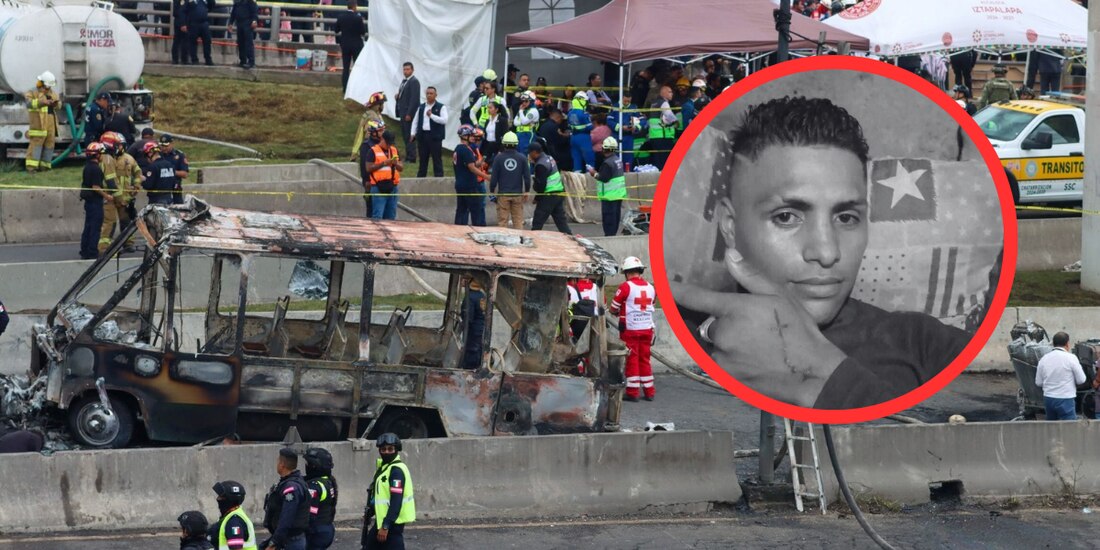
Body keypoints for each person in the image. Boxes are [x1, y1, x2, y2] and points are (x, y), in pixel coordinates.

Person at [671, 96, 972, 409]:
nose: (827, 253)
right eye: (786, 217)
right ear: (730, 227)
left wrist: (827, 379)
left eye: (846, 218)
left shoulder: (926, 344)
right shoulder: (685, 343)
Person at [609, 256, 657, 402]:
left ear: (627, 272)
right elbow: (651, 303)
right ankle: (649, 391)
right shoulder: (650, 287)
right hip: (647, 328)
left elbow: (613, 308)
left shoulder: (626, 287)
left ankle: (633, 392)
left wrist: (616, 311)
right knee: (645, 359)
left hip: (630, 329)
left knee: (632, 360)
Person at [361, 433, 415, 550]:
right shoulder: (384, 468)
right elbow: (381, 496)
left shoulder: (396, 471)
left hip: (392, 524)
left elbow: (396, 501)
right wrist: (371, 511)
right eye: (383, 449)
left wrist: (386, 526)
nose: (386, 452)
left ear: (397, 450)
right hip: (382, 521)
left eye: (390, 449)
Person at [261, 448, 310, 550]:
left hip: (290, 542)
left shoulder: (291, 488)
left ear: (282, 465)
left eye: (278, 461)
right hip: (287, 539)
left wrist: (274, 542)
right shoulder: (289, 482)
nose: (277, 463)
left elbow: (286, 517)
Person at [1035, 332, 1086, 421]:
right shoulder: (1071, 358)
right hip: (1065, 398)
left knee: (1051, 428)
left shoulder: (1044, 359)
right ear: (1067, 344)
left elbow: (1038, 382)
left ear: (1053, 344)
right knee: (1069, 428)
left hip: (1049, 399)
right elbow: (1081, 380)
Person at [489, 131, 530, 229]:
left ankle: (503, 243)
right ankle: (520, 241)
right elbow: (527, 177)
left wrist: (491, 191)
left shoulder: (498, 158)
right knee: (518, 221)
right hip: (517, 194)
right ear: (516, 144)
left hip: (503, 195)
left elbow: (494, 178)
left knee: (502, 221)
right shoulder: (522, 158)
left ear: (504, 143)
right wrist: (527, 191)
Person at [528, 142, 571, 234]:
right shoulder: (549, 158)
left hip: (548, 196)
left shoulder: (540, 165)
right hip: (558, 193)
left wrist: (537, 198)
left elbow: (541, 185)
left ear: (535, 152)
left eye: (530, 153)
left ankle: (533, 241)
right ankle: (571, 239)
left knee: (537, 222)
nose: (529, 155)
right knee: (561, 222)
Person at [452, 125, 489, 226]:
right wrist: (487, 177)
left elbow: (469, 164)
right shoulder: (465, 150)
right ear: (464, 136)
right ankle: (478, 230)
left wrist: (479, 162)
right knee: (476, 210)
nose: (473, 137)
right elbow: (472, 168)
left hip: (460, 184)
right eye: (470, 135)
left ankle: (459, 230)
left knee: (462, 210)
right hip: (469, 185)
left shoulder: (458, 149)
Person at [24, 71, 60, 174]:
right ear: (42, 83)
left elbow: (59, 104)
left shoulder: (52, 93)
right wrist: (41, 102)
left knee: (50, 144)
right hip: (38, 123)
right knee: (36, 145)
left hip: (50, 122)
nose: (47, 89)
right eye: (46, 87)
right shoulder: (32, 92)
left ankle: (45, 167)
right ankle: (31, 168)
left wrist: (55, 104)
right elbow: (28, 104)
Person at [590, 136, 626, 237]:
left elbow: (604, 178)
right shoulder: (617, 160)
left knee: (609, 219)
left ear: (604, 148)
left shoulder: (607, 163)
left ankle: (609, 236)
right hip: (617, 194)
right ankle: (612, 235)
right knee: (615, 218)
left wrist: (594, 174)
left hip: (609, 196)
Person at [304, 447, 338, 550]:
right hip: (326, 528)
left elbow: (310, 515)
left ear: (315, 466)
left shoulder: (314, 486)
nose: (307, 466)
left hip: (317, 532)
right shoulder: (328, 481)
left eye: (309, 464)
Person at [79, 142, 109, 260]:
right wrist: (107, 196)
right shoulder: (96, 169)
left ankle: (84, 250)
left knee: (88, 227)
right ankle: (92, 251)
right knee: (95, 228)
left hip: (88, 202)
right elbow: (96, 187)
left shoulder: (87, 167)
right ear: (97, 155)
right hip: (95, 202)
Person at [365, 129, 403, 220]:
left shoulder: (394, 150)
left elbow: (401, 167)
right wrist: (384, 163)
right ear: (382, 139)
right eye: (388, 143)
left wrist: (395, 163)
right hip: (378, 188)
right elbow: (368, 168)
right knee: (378, 216)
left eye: (391, 143)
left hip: (392, 187)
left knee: (391, 217)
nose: (389, 145)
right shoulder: (373, 151)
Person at [410, 86, 447, 178]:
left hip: (435, 136)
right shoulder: (422, 107)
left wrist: (432, 116)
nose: (429, 95)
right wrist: (412, 133)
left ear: (436, 95)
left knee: (436, 158)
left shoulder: (441, 107)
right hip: (423, 136)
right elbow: (415, 120)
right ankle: (421, 177)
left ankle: (439, 178)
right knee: (423, 158)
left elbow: (444, 120)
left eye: (431, 93)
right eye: (427, 93)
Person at [211, 480, 257, 550]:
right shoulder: (231, 516)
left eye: (220, 497)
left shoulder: (234, 521)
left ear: (228, 499)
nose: (217, 499)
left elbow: (236, 548)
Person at [334, 0, 364, 92]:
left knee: (346, 67)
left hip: (345, 44)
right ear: (355, 6)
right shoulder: (358, 18)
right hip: (356, 44)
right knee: (357, 67)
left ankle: (345, 88)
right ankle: (357, 87)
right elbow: (363, 32)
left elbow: (336, 30)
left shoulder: (341, 17)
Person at [607, 97, 644, 172]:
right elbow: (609, 121)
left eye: (629, 101)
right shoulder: (614, 107)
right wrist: (620, 127)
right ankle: (616, 175)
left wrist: (636, 127)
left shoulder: (634, 108)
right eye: (625, 101)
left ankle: (628, 175)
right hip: (616, 136)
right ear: (621, 98)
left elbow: (643, 120)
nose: (627, 102)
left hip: (629, 137)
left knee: (628, 159)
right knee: (616, 158)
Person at [644, 86, 677, 169]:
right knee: (665, 161)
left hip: (654, 135)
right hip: (663, 136)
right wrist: (676, 122)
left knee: (657, 160)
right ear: (663, 93)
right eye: (669, 92)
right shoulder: (663, 103)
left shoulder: (654, 103)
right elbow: (669, 115)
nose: (671, 93)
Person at [394, 62, 420, 164]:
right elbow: (406, 96)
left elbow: (414, 99)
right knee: (405, 135)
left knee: (410, 135)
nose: (406, 71)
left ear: (412, 70)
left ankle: (412, 157)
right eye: (404, 69)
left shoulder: (414, 82)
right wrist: (398, 96)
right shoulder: (404, 81)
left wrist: (410, 113)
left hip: (408, 114)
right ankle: (408, 155)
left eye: (408, 69)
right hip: (402, 112)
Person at [358, 119, 385, 216]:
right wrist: (366, 181)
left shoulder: (384, 144)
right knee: (372, 211)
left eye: (383, 130)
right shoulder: (366, 146)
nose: (383, 133)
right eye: (380, 130)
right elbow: (363, 166)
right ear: (374, 133)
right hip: (372, 183)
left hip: (383, 182)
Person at [460, 278, 487, 370]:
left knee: (471, 351)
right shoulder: (481, 295)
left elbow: (468, 317)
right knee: (478, 349)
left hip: (472, 330)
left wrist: (462, 325)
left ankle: (469, 370)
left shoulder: (470, 297)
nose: (462, 281)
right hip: (480, 329)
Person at [351, 92, 386, 161]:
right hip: (371, 146)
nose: (383, 106)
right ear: (377, 105)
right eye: (382, 104)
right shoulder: (371, 116)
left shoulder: (377, 114)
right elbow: (369, 132)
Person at [141, 141, 178, 205]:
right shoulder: (169, 165)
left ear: (150, 153)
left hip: (156, 201)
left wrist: (142, 179)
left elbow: (148, 185)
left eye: (146, 156)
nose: (146, 159)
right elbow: (174, 183)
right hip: (169, 199)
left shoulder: (152, 167)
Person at [567, 93, 595, 173]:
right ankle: (589, 179)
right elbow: (590, 127)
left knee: (576, 160)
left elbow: (569, 126)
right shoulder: (584, 114)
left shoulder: (570, 113)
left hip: (573, 138)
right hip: (584, 138)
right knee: (590, 159)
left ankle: (576, 180)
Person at [159, 134, 190, 204]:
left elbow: (185, 174)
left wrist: (171, 172)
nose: (163, 148)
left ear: (172, 144)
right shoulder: (157, 155)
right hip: (161, 190)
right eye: (162, 145)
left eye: (166, 146)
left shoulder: (179, 155)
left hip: (175, 188)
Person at [228, 0, 259, 69]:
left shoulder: (250, 1)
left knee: (248, 43)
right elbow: (233, 12)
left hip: (248, 23)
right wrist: (230, 23)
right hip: (239, 23)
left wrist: (254, 20)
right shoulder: (237, 2)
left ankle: (251, 62)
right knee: (240, 43)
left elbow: (254, 11)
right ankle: (243, 61)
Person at [187, 0, 215, 65]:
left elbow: (211, 5)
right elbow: (185, 9)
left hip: (204, 23)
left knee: (207, 41)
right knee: (193, 42)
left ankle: (208, 59)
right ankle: (194, 60)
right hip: (193, 23)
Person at [172, 0, 191, 64]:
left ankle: (180, 59)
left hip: (182, 21)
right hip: (181, 21)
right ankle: (181, 60)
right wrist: (183, 24)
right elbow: (181, 11)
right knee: (180, 41)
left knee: (180, 41)